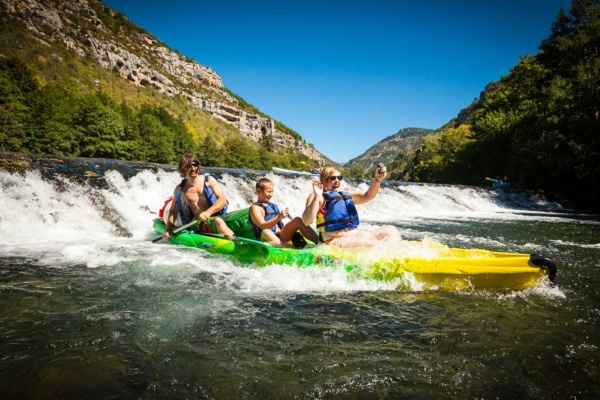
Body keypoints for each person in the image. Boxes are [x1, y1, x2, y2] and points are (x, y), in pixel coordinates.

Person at [301, 164, 389, 245]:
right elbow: (306, 221)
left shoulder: (345, 195)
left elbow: (368, 196)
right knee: (373, 245)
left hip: (353, 235)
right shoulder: (318, 196)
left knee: (389, 231)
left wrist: (378, 179)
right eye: (332, 178)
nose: (337, 181)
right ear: (323, 181)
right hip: (333, 239)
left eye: (339, 178)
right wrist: (317, 196)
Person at [161, 154, 234, 239]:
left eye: (195, 165)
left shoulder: (209, 180)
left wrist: (208, 212)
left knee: (249, 212)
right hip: (202, 223)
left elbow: (223, 200)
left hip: (221, 216)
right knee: (218, 221)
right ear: (182, 169)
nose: (193, 168)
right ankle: (238, 245)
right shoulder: (180, 189)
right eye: (188, 166)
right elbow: (173, 210)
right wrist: (168, 229)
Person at [249, 178, 319, 247]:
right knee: (266, 231)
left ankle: (320, 243)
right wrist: (279, 217)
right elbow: (262, 226)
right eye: (269, 192)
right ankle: (285, 248)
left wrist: (290, 218)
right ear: (258, 191)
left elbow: (279, 224)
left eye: (272, 191)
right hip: (265, 237)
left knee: (297, 220)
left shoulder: (272, 205)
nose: (271, 194)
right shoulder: (255, 208)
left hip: (280, 234)